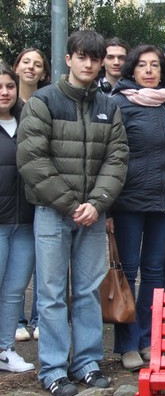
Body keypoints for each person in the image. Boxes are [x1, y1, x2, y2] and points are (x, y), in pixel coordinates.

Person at [17, 30, 129, 396]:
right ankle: (52, 369)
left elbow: (117, 160)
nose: (89, 64)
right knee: (50, 293)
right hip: (52, 212)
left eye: (95, 58)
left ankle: (87, 362)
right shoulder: (44, 101)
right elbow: (32, 159)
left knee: (87, 291)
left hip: (92, 215)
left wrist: (96, 203)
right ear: (68, 59)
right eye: (82, 57)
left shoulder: (108, 106)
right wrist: (70, 204)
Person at [110, 45, 165, 369]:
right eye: (143, 65)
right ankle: (126, 343)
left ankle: (146, 338)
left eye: (155, 65)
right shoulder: (119, 104)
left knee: (154, 272)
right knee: (127, 273)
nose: (150, 71)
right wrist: (107, 209)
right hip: (128, 202)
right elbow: (109, 155)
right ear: (132, 70)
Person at [13, 48, 50, 342]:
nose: (31, 68)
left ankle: (38, 319)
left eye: (37, 64)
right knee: (15, 263)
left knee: (42, 262)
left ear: (44, 72)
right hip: (10, 195)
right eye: (26, 62)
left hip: (40, 193)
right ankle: (16, 319)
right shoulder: (6, 103)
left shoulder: (46, 102)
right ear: (16, 67)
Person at [0, 64, 35, 372]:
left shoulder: (28, 122)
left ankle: (5, 349)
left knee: (14, 290)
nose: (4, 92)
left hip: (24, 221)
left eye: (9, 86)